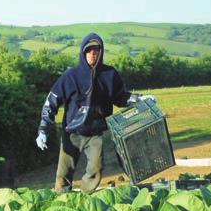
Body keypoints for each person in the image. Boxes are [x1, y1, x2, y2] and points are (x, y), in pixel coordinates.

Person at [35, 33, 155, 193]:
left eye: (96, 49)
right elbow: (50, 104)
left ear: (101, 51)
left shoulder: (110, 75)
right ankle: (61, 200)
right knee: (63, 174)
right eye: (89, 50)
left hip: (96, 133)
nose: (93, 53)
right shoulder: (70, 77)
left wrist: (140, 99)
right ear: (83, 52)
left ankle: (85, 198)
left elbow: (121, 97)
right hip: (72, 132)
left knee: (96, 168)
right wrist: (43, 131)